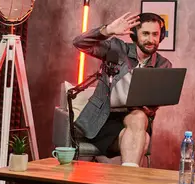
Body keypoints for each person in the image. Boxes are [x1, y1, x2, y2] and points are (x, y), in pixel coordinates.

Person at [72, 12, 172, 167]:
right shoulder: (116, 48)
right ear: (134, 35)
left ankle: (126, 178)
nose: (151, 40)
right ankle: (130, 179)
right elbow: (79, 43)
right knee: (143, 140)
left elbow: (155, 104)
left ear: (161, 36)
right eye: (145, 34)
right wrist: (108, 30)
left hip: (136, 120)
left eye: (155, 34)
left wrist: (151, 108)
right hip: (103, 119)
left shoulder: (163, 65)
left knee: (139, 116)